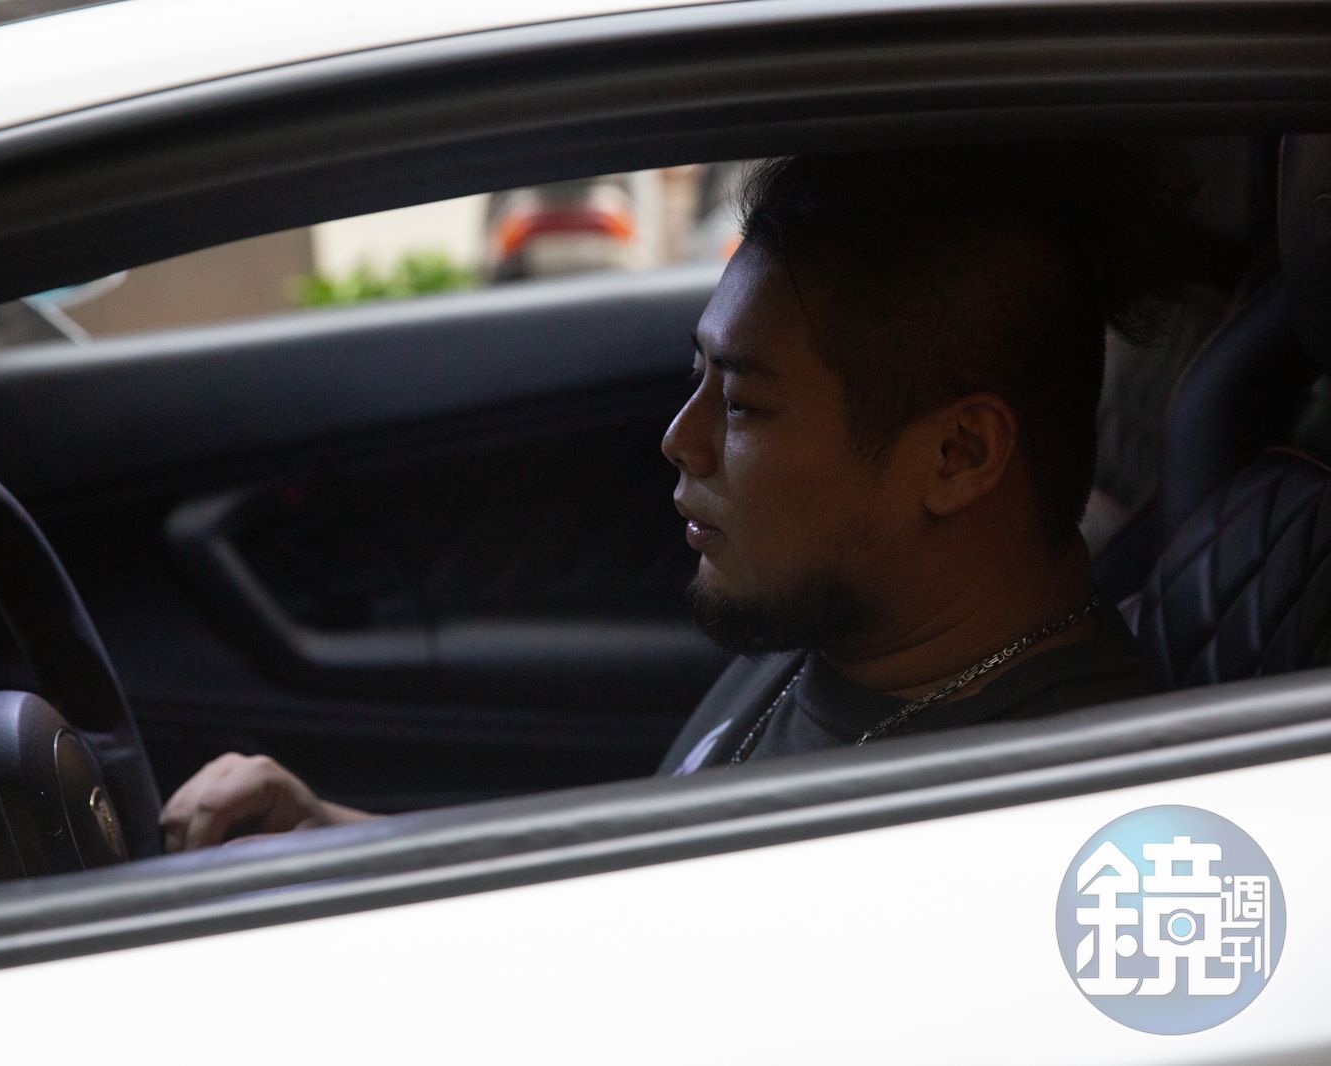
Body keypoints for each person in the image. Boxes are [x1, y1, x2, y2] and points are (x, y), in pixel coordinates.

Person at [160, 143, 1185, 852]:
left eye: (742, 403)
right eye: (700, 379)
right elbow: (624, 895)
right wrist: (329, 838)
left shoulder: (1011, 824)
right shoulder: (850, 629)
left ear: (959, 454)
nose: (679, 439)